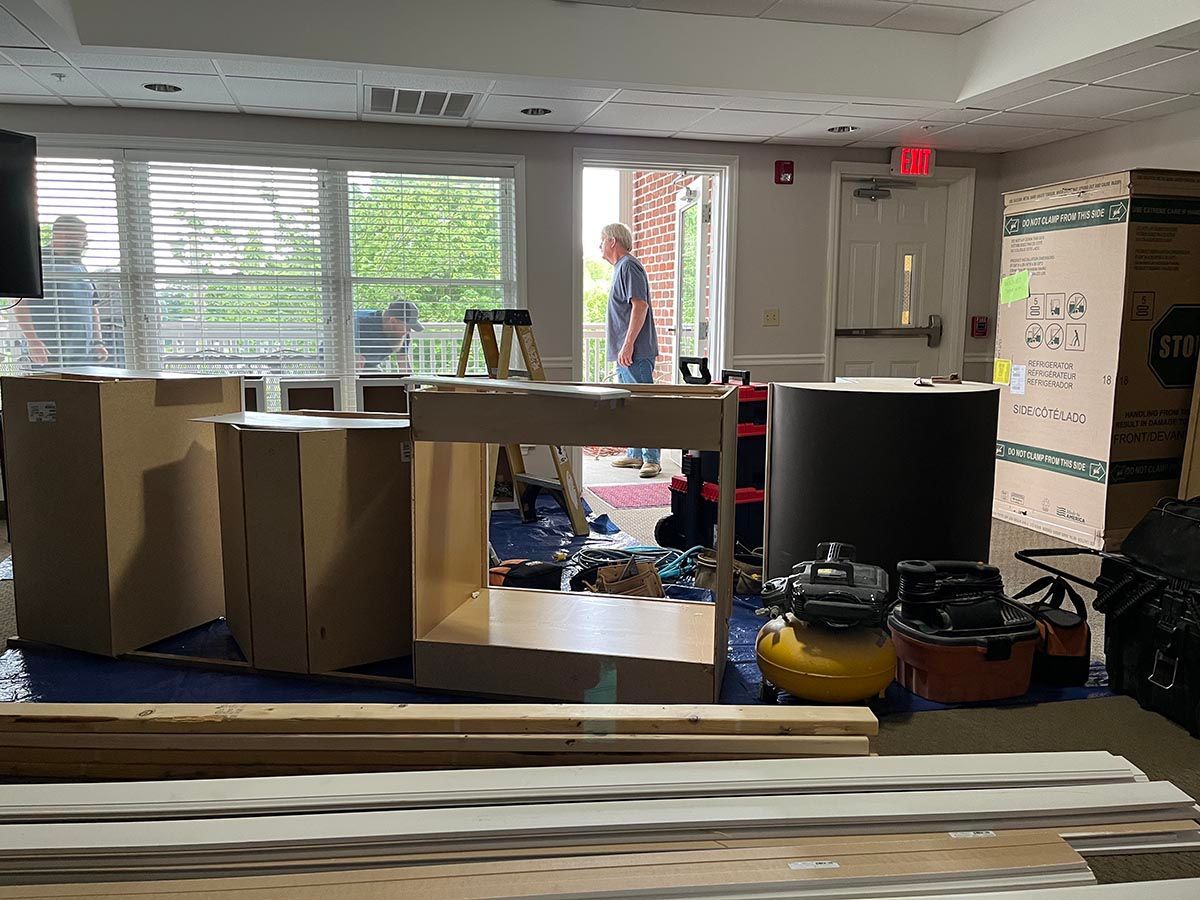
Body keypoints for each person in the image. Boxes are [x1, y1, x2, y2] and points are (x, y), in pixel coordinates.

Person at [600, 222, 661, 478]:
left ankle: (652, 459)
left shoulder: (629, 266)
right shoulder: (620, 268)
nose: (599, 246)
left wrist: (628, 345)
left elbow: (640, 306)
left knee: (642, 403)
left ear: (613, 241)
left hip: (634, 352)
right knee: (630, 403)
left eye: (601, 240)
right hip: (625, 354)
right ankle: (636, 454)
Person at [14, 216, 108, 366]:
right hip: (48, 353)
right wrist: (33, 341)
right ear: (61, 235)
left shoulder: (80, 267)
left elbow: (92, 307)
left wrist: (98, 342)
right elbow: (20, 304)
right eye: (80, 239)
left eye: (85, 239)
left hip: (83, 356)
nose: (84, 244)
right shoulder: (38, 261)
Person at [354, 300, 424, 371]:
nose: (408, 331)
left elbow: (403, 362)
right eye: (407, 327)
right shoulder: (361, 324)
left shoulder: (402, 334)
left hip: (369, 367)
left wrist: (410, 381)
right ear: (392, 321)